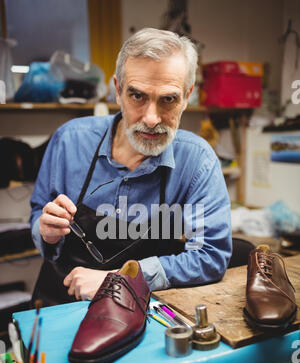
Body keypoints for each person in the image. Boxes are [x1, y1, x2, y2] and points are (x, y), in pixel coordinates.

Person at [30, 28, 232, 307]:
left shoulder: (197, 161)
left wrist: (121, 278)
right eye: (137, 96)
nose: (151, 118)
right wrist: (46, 232)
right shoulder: (69, 141)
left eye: (168, 99)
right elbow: (38, 211)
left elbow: (210, 256)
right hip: (61, 302)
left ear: (187, 96)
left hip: (140, 309)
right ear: (117, 90)